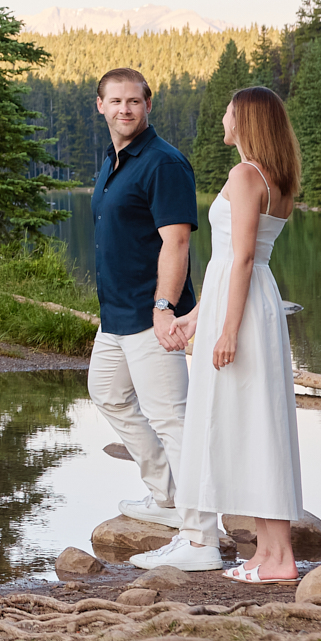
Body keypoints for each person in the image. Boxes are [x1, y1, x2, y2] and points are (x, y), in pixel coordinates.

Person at [133, 87, 308, 580]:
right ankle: (269, 553)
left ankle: (279, 558)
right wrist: (197, 318)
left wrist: (227, 330)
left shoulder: (246, 175)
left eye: (229, 113)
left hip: (246, 310)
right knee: (256, 424)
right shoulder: (275, 177)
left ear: (246, 120)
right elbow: (234, 262)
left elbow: (243, 259)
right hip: (252, 302)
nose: (223, 120)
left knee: (254, 426)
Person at [85, 67, 222, 566]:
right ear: (100, 105)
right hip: (115, 315)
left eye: (134, 101)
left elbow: (177, 241)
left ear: (148, 106)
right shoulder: (113, 159)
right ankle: (166, 495)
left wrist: (165, 309)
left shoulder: (163, 163)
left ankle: (201, 538)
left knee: (172, 419)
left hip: (151, 313)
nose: (125, 109)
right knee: (107, 392)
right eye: (115, 101)